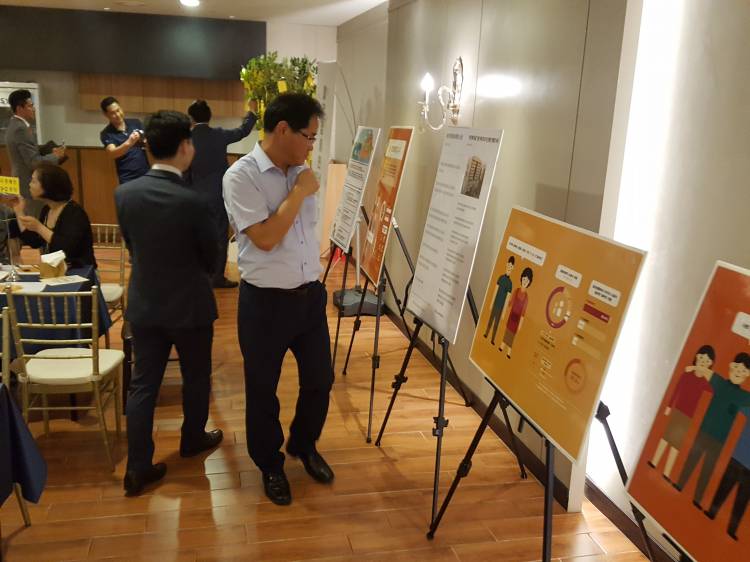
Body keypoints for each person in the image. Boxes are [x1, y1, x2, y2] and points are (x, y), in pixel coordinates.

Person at [223, 93, 334, 506]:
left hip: (309, 297)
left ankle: (303, 444)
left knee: (320, 380)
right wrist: (300, 192)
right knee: (262, 389)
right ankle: (270, 464)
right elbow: (266, 238)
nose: (312, 145)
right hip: (265, 304)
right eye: (309, 136)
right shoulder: (242, 176)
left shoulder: (302, 171)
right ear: (283, 130)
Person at [115, 110, 221, 497]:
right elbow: (212, 258)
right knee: (196, 377)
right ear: (185, 147)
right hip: (191, 306)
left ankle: (137, 467)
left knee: (143, 386)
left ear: (148, 148)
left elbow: (132, 246)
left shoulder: (125, 194)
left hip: (145, 304)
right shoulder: (194, 201)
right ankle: (192, 439)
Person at [187, 98, 258, 288]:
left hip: (194, 195)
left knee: (196, 235)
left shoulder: (186, 139)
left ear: (191, 118)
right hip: (218, 193)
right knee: (219, 236)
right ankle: (217, 277)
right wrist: (252, 113)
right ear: (210, 116)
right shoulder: (218, 134)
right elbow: (242, 131)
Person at [674, 352, 750, 509]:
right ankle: (680, 484)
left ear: (747, 375)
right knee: (692, 459)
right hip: (704, 430)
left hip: (720, 439)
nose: (739, 372)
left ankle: (697, 499)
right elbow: (706, 372)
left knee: (708, 469)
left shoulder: (744, 396)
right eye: (737, 368)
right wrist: (692, 368)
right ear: (731, 366)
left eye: (743, 371)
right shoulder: (720, 383)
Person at [1, 162, 95, 269]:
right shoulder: (47, 209)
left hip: (80, 271)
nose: (29, 185)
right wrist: (19, 211)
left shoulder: (74, 213)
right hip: (56, 271)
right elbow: (34, 242)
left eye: (33, 181)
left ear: (48, 186)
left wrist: (39, 228)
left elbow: (66, 249)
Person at [648, 345, 715, 481]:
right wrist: (669, 406)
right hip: (677, 411)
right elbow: (676, 390)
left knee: (676, 444)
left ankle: (667, 472)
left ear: (710, 364)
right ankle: (654, 461)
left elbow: (713, 391)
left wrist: (699, 370)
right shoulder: (686, 375)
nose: (703, 362)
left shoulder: (704, 383)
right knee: (666, 437)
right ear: (696, 357)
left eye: (707, 361)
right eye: (701, 358)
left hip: (688, 417)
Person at [5, 89, 66, 218]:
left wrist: (48, 152)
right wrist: (55, 156)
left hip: (23, 182)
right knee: (33, 222)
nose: (33, 109)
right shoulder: (20, 129)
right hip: (28, 185)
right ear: (19, 108)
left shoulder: (15, 125)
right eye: (30, 106)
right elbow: (33, 162)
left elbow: (28, 153)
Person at [704, 403, 750, 541]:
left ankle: (712, 513)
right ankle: (731, 530)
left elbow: (735, 408)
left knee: (725, 489)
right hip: (742, 463)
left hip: (737, 459)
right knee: (740, 501)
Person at [100, 97, 150, 184]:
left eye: (118, 110)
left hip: (146, 173)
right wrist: (129, 142)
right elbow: (112, 153)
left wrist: (145, 140)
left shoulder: (135, 122)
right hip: (128, 177)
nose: (118, 115)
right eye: (113, 113)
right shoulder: (106, 133)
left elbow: (147, 140)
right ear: (106, 114)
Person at [500, 266, 533, 358]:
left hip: (517, 319)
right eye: (524, 279)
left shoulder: (526, 297)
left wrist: (520, 325)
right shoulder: (516, 291)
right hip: (511, 316)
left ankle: (509, 351)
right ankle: (502, 345)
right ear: (521, 278)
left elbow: (523, 313)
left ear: (529, 282)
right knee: (507, 331)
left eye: (527, 280)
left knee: (512, 335)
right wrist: (505, 305)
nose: (525, 281)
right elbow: (510, 302)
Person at [483, 256, 514, 344]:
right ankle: (486, 333)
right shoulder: (500, 278)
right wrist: (491, 303)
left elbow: (507, 299)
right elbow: (495, 291)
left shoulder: (510, 284)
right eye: (508, 265)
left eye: (511, 266)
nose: (509, 267)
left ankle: (493, 339)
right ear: (506, 265)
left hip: (501, 307)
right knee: (490, 320)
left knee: (496, 324)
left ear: (513, 268)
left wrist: (504, 312)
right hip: (495, 304)